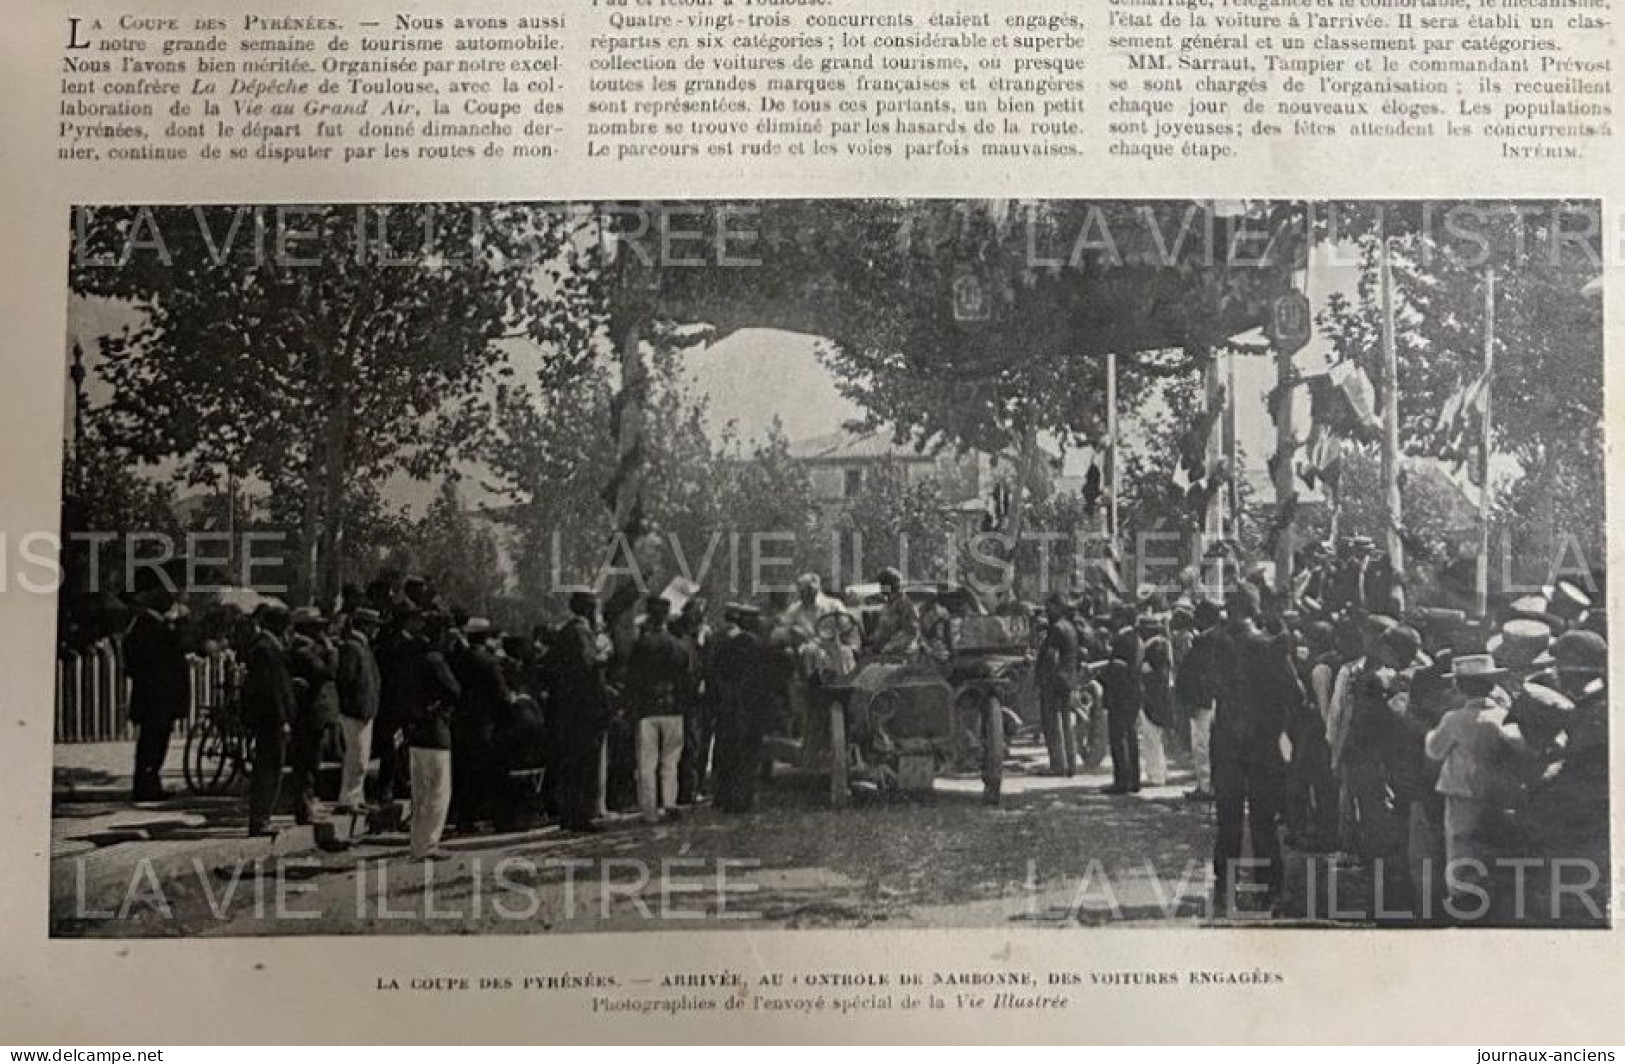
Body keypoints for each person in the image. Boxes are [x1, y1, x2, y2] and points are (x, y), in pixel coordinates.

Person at [1211, 584, 1299, 915]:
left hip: (1225, 740)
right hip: (1262, 742)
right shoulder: (1269, 646)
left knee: (1228, 819)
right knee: (1263, 819)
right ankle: (1268, 891)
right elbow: (1295, 694)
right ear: (1256, 608)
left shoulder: (1212, 643)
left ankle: (1225, 890)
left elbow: (1201, 687)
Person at [1425, 654, 1528, 919]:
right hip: (1495, 791)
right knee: (1488, 840)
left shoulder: (1454, 719)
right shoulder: (1502, 716)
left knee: (1460, 843)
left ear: (1459, 687)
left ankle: (1461, 899)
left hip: (1461, 790)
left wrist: (1427, 733)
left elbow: (1435, 751)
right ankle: (1490, 897)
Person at [547, 591, 613, 833]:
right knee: (585, 764)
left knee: (571, 764)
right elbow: (588, 668)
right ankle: (581, 816)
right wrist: (603, 657)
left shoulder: (566, 632)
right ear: (588, 609)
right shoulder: (581, 633)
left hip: (567, 709)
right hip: (585, 710)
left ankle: (569, 815)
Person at [625, 595, 694, 823]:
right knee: (670, 760)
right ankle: (670, 803)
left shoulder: (641, 645)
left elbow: (631, 680)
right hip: (673, 707)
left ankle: (649, 810)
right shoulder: (679, 646)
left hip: (647, 708)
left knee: (647, 762)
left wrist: (631, 706)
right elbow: (688, 678)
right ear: (666, 616)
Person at [123, 574, 190, 802]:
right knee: (152, 742)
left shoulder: (157, 624)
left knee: (157, 740)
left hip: (160, 696)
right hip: (155, 696)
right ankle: (145, 785)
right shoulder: (148, 625)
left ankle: (151, 782)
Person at [404, 613, 462, 859]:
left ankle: (417, 844)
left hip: (416, 731)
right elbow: (454, 690)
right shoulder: (436, 660)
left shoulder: (412, 658)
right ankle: (429, 844)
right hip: (435, 730)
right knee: (438, 791)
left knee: (419, 793)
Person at [709, 603, 774, 813]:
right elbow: (763, 677)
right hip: (750, 707)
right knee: (747, 754)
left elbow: (716, 671)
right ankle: (742, 798)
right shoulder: (754, 643)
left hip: (728, 705)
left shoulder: (723, 642)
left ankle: (723, 796)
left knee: (727, 751)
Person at [450, 617, 512, 832]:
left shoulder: (456, 659)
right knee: (488, 773)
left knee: (463, 773)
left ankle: (464, 819)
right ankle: (494, 818)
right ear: (485, 638)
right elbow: (501, 695)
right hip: (485, 724)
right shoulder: (489, 661)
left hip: (461, 722)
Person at [242, 606, 296, 836]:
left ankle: (263, 817)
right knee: (269, 768)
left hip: (269, 718)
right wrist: (282, 719)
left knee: (270, 767)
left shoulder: (266, 646)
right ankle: (260, 819)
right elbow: (270, 690)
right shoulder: (266, 649)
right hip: (270, 719)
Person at [286, 606, 339, 825]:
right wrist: (331, 651)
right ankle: (304, 806)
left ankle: (307, 802)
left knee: (311, 762)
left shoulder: (308, 649)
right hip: (308, 714)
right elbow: (327, 673)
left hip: (313, 714)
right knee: (307, 763)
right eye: (316, 627)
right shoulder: (303, 651)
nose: (321, 631)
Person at [334, 607, 382, 813]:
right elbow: (346, 679)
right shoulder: (353, 648)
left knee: (361, 757)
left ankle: (356, 795)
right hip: (355, 710)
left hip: (364, 710)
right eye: (372, 626)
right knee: (356, 757)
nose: (374, 631)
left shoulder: (362, 646)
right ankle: (348, 799)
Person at [1176, 599, 1223, 801]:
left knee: (1202, 744)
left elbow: (1201, 673)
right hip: (1211, 700)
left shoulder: (1206, 641)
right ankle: (1208, 784)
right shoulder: (1218, 637)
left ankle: (1206, 786)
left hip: (1203, 701)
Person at [1035, 593, 1081, 776]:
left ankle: (1057, 765)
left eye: (1049, 608)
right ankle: (1071, 763)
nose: (1047, 611)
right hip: (1068, 679)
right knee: (1067, 724)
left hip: (1055, 681)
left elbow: (1051, 657)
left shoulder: (1056, 629)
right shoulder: (1070, 627)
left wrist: (1044, 679)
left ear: (1057, 607)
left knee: (1052, 723)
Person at [1100, 603, 1143, 794]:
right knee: (1131, 736)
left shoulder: (1121, 640)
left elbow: (1117, 669)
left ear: (1122, 619)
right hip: (1133, 692)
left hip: (1120, 694)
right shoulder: (1136, 638)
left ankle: (1121, 781)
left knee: (1118, 737)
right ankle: (1134, 779)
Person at [1137, 612, 1174, 787]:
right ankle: (1155, 772)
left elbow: (1158, 673)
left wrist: (1146, 671)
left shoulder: (1157, 645)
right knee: (1151, 737)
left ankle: (1157, 774)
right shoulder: (1161, 643)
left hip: (1155, 697)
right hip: (1156, 695)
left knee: (1152, 737)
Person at [868, 567, 920, 655]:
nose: (881, 588)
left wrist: (890, 647)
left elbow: (910, 633)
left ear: (892, 585)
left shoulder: (905, 605)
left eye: (883, 584)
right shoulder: (888, 605)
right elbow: (883, 630)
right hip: (883, 651)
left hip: (900, 653)